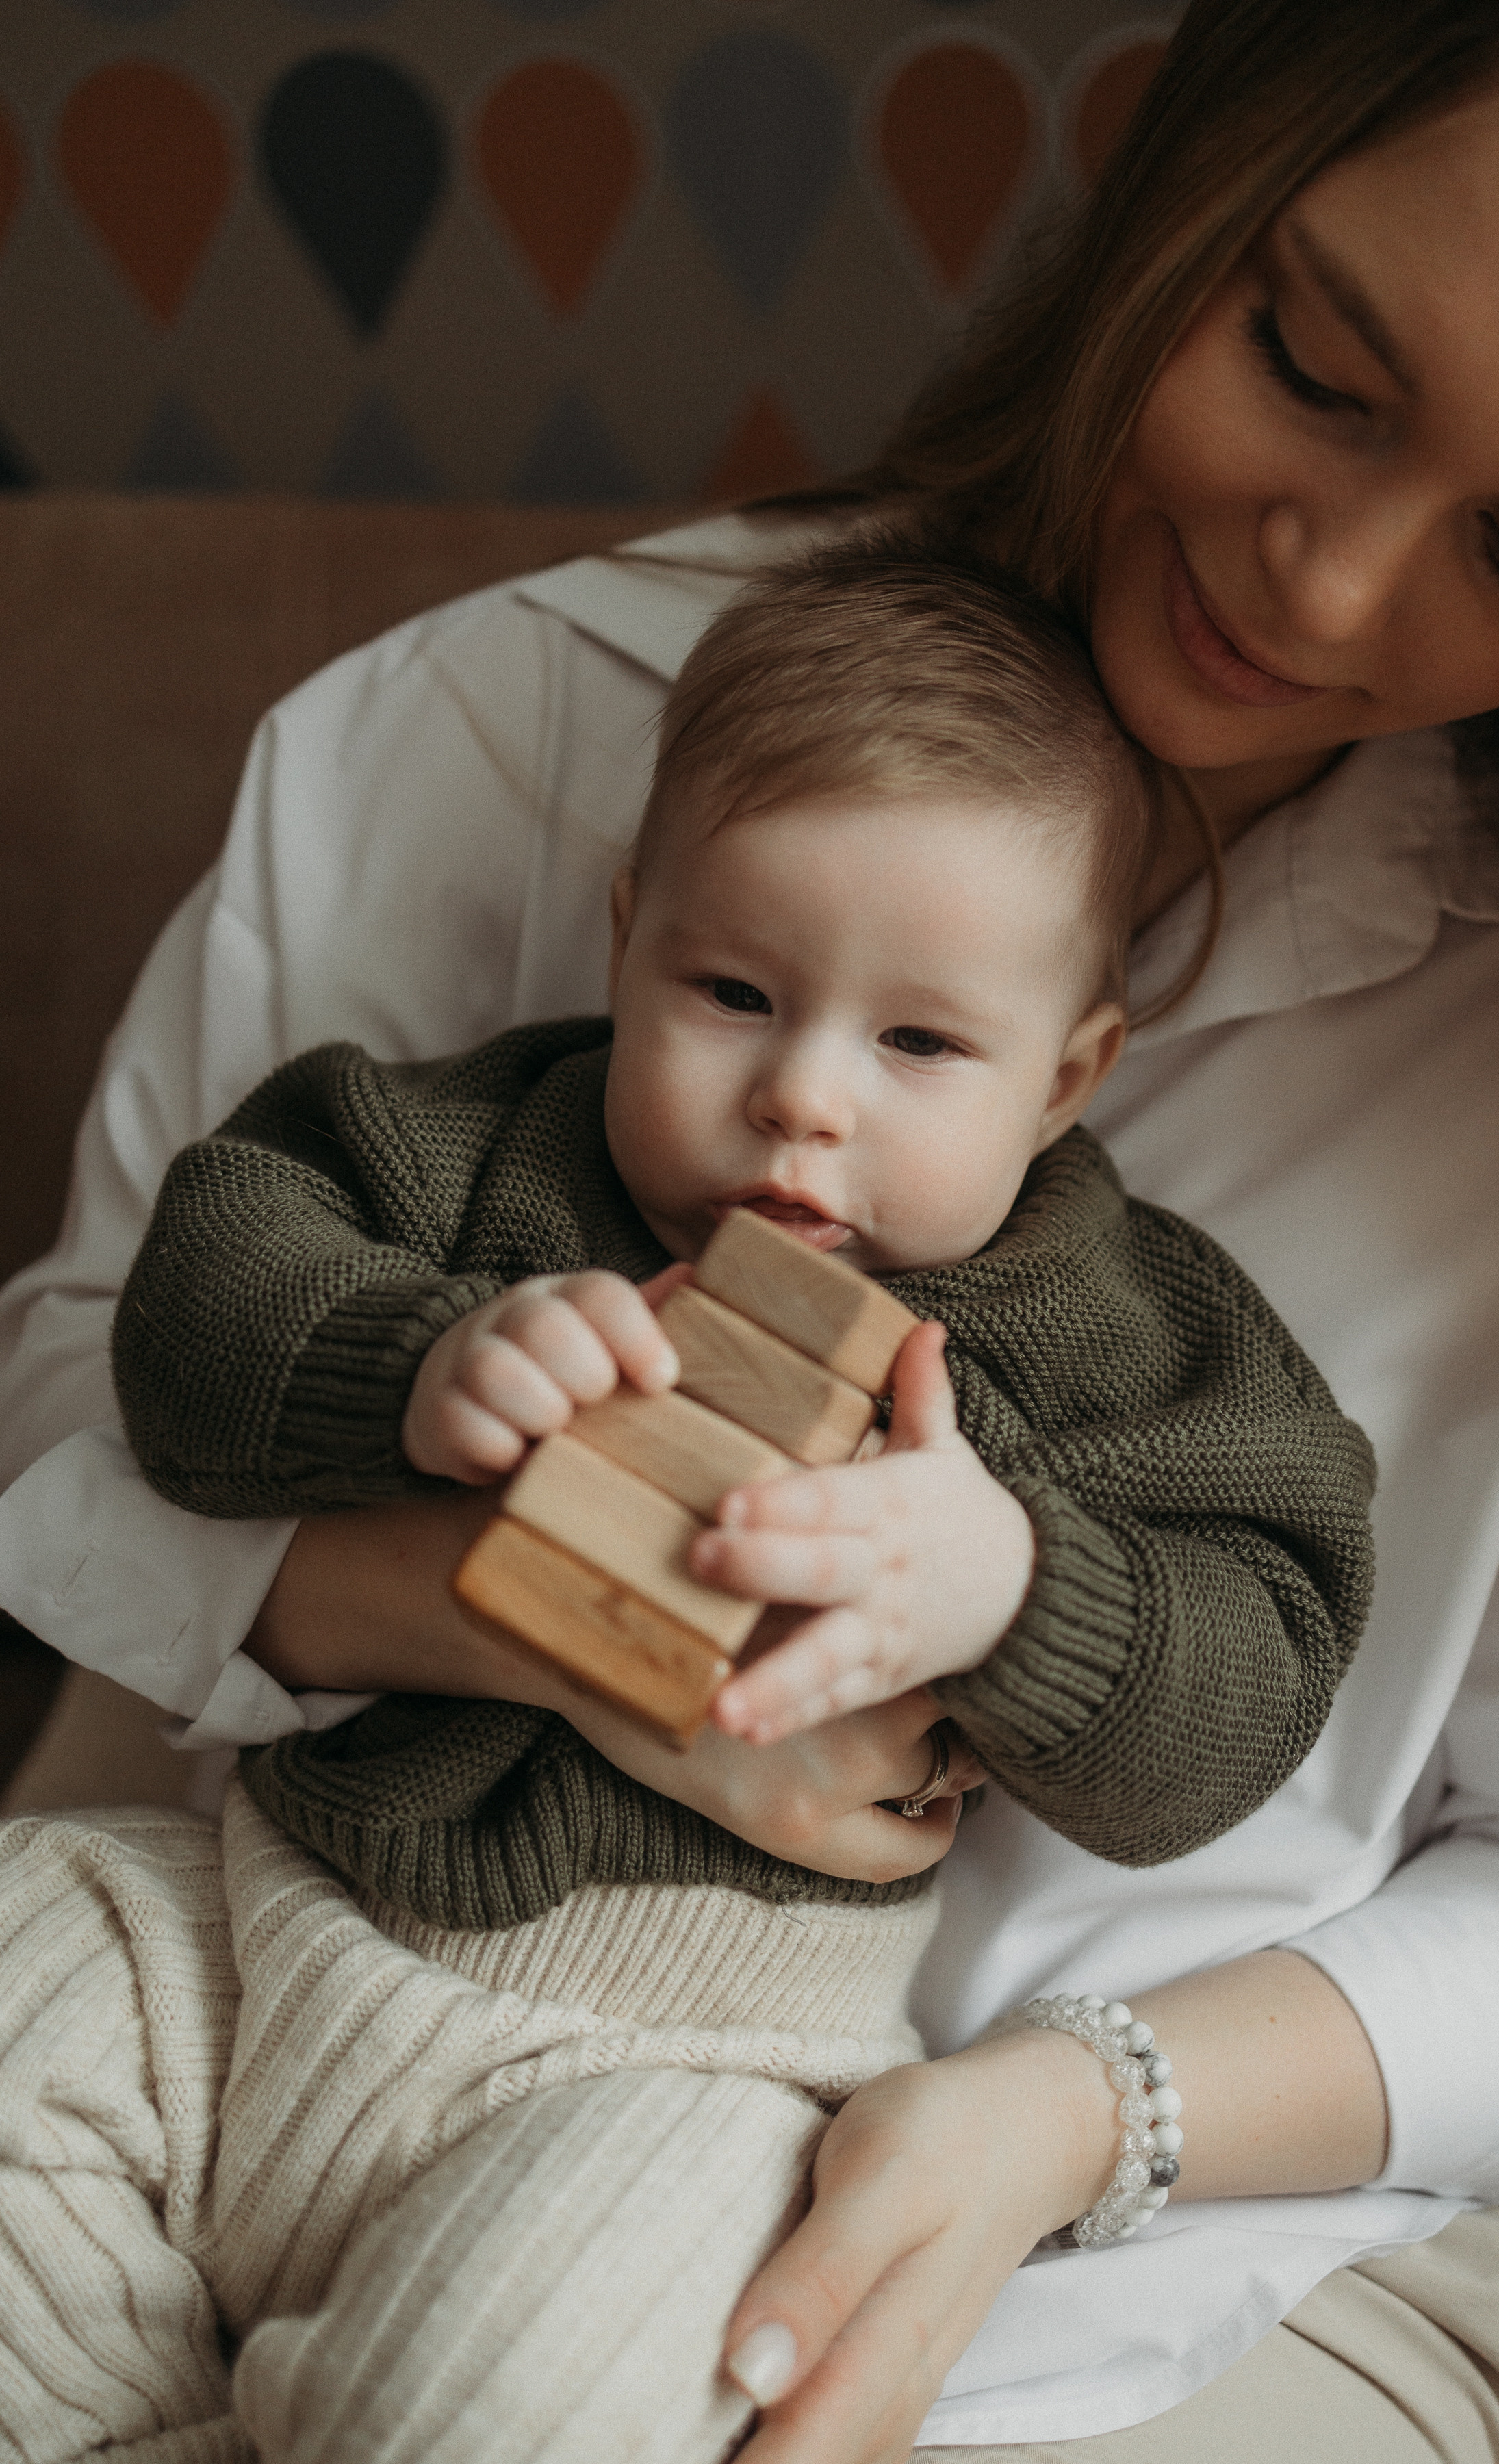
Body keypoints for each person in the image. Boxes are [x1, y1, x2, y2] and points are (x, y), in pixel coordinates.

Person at [3, 1, 1499, 2458]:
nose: (1327, 582)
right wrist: (534, 1596)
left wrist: (1068, 2113)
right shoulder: (499, 737)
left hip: (1185, 2248)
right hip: (292, 1969)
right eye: (1313, 367)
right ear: (1182, 189)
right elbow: (98, 1402)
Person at [84, 538, 1372, 2459]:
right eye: (736, 988)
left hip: (695, 2067)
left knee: (499, 2405)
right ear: (627, 934)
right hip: (267, 1923)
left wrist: (1020, 1588)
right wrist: (417, 1363)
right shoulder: (475, 1150)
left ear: (1069, 1072)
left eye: (920, 1041)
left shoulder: (1124, 1337)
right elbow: (196, 1300)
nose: (802, 1098)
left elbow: (1257, 1670)